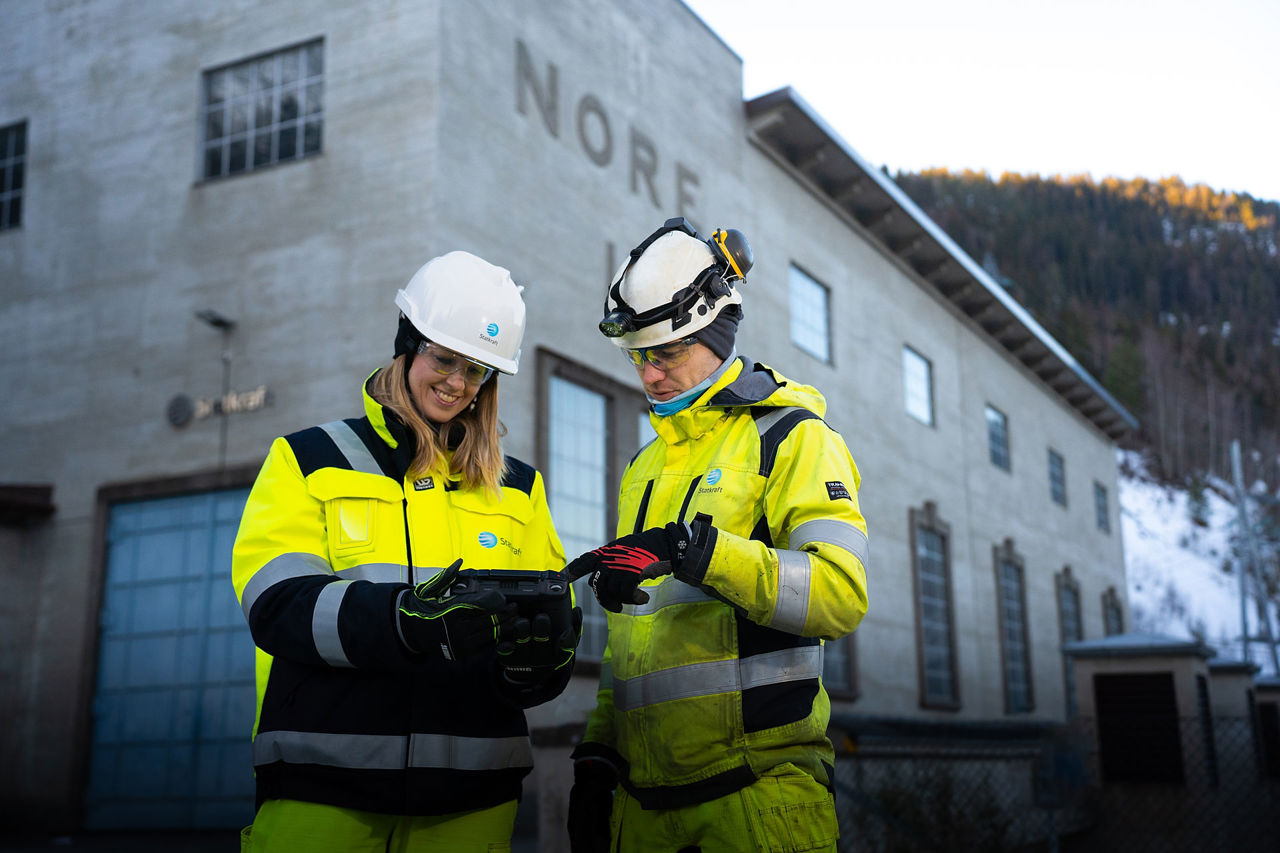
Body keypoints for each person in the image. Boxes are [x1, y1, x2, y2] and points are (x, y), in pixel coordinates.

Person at [232, 251, 580, 853]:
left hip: (473, 798)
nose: (457, 383)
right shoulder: (309, 460)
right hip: (324, 788)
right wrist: (401, 621)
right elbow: (275, 603)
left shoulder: (519, 489)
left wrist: (539, 664)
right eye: (443, 358)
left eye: (477, 370)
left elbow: (547, 625)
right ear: (408, 345)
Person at [563, 218, 870, 852]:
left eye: (667, 353)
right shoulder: (644, 467)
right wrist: (597, 754)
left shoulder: (791, 437)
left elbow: (839, 594)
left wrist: (697, 553)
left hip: (756, 803)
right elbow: (631, 642)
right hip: (641, 810)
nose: (650, 375)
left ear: (717, 331)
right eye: (638, 355)